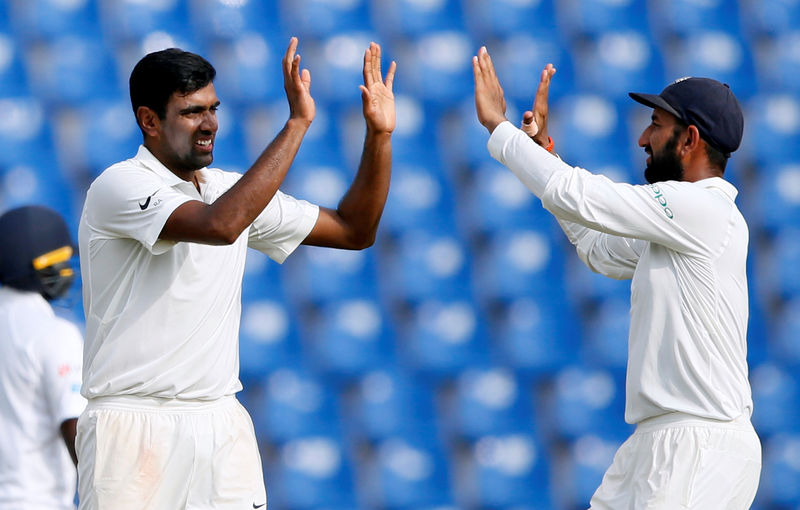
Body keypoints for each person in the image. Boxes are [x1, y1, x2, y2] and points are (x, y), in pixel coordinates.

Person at [76, 37, 395, 509]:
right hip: (133, 425)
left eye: (213, 108)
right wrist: (298, 123)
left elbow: (353, 230)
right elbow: (220, 226)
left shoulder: (227, 189)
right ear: (149, 121)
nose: (209, 125)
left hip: (220, 421)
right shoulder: (119, 185)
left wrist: (380, 137)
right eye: (190, 112)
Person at [473, 47, 761, 508]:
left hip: (700, 443)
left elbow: (581, 194)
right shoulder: (676, 224)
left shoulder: (704, 209)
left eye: (656, 126)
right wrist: (540, 151)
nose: (643, 138)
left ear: (689, 140)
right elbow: (598, 250)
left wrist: (499, 128)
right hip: (654, 441)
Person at [0, 205, 86, 510]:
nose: (67, 270)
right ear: (38, 265)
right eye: (61, 261)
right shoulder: (54, 333)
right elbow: (75, 428)